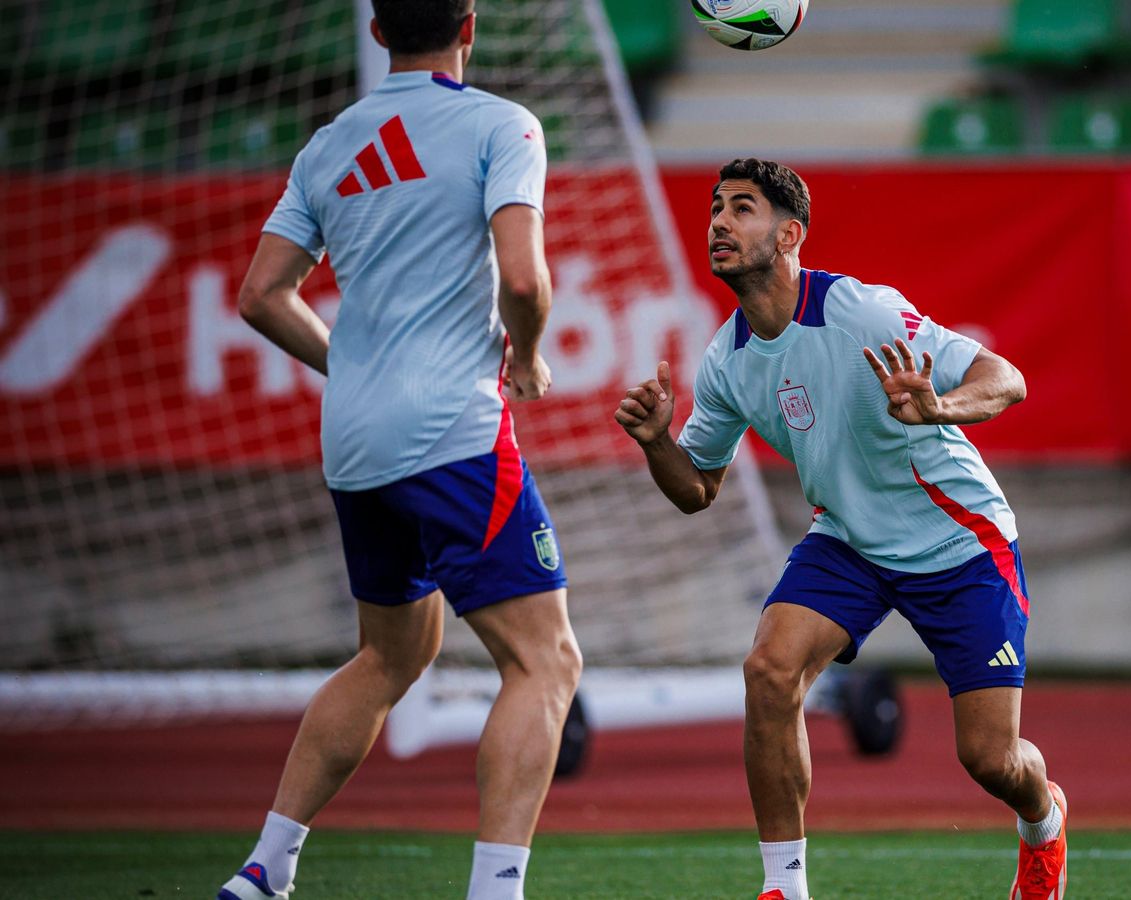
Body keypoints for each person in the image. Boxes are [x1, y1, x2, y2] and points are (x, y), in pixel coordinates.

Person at [613, 158, 1067, 900]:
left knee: (990, 760)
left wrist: (939, 408)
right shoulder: (726, 359)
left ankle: (1044, 821)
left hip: (957, 542)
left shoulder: (862, 312)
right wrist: (659, 443)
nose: (720, 223)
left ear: (790, 235)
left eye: (743, 209)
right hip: (849, 540)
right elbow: (697, 489)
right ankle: (784, 889)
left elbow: (1007, 377)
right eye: (717, 208)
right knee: (768, 670)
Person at [219, 2, 581, 898]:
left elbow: (262, 295)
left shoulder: (327, 144)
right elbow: (526, 277)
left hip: (353, 435)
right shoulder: (502, 125)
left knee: (390, 655)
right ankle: (496, 889)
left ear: (378, 31)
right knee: (545, 660)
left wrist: (356, 366)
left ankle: (266, 867)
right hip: (451, 430)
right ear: (470, 24)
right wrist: (528, 357)